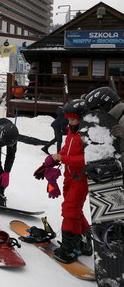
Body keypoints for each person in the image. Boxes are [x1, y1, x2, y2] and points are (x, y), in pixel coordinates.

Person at [44, 99, 93, 263]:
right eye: (69, 120)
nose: (70, 122)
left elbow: (87, 158)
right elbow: (67, 148)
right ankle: (84, 240)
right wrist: (56, 158)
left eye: (73, 119)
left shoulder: (89, 133)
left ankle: (70, 247)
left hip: (81, 176)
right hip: (69, 174)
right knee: (73, 208)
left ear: (82, 117)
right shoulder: (73, 130)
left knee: (70, 208)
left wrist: (64, 158)